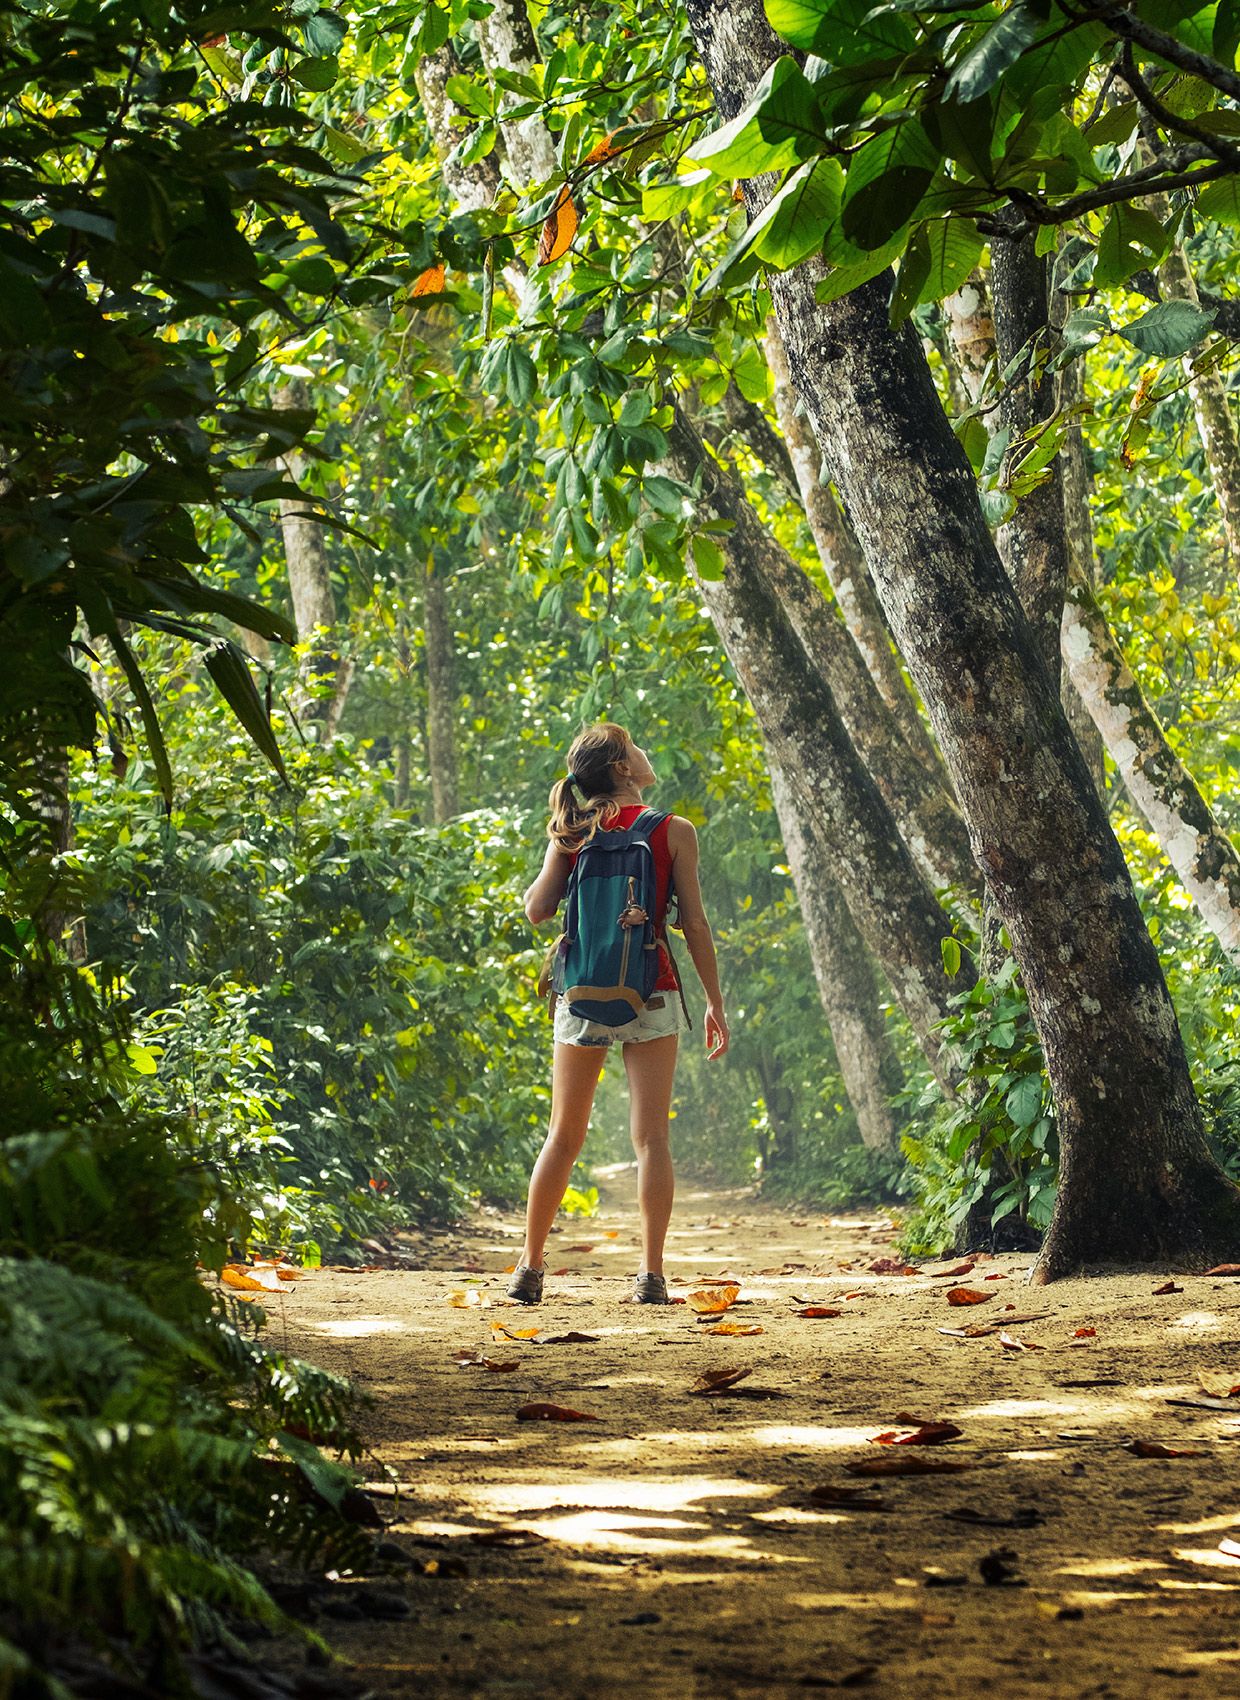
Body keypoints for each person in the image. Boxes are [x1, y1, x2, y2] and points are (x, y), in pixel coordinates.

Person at [510, 722, 729, 1306]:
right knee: (651, 1138)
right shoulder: (673, 831)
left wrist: (562, 840)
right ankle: (651, 1275)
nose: (646, 751)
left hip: (581, 991)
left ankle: (529, 1268)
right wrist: (713, 1000)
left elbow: (537, 910)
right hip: (651, 990)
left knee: (563, 1136)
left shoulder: (574, 831)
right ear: (624, 769)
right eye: (636, 746)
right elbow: (696, 924)